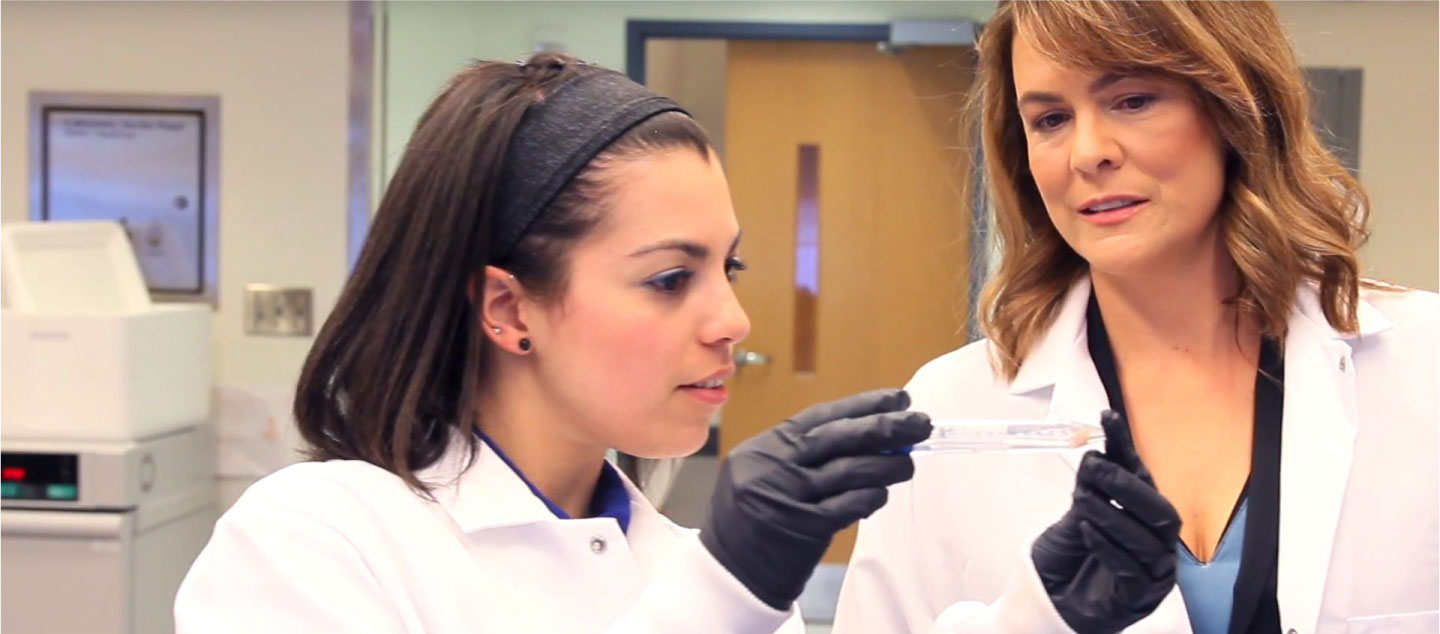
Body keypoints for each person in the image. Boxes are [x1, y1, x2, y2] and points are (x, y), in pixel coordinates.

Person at [174, 53, 931, 633]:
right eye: (671, 278)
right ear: (508, 307)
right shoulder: (317, 541)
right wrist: (719, 599)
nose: (732, 320)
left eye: (727, 268)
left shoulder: (684, 566)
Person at [833, 1, 1438, 633]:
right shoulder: (952, 407)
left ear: (1235, 107)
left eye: (1133, 100)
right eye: (1051, 119)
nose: (1087, 152)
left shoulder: (1425, 365)